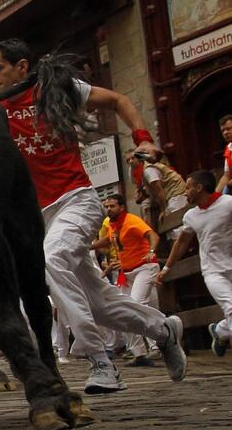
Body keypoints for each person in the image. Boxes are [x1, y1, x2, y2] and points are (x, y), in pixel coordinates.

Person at [0, 39, 186, 394]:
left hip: (77, 200)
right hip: (40, 217)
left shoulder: (56, 89)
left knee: (53, 260)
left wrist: (143, 138)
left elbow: (118, 100)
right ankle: (164, 331)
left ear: (21, 67)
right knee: (103, 306)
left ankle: (101, 362)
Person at [158, 170, 232, 357]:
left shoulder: (228, 204)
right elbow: (182, 241)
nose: (185, 192)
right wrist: (167, 267)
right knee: (231, 307)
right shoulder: (191, 216)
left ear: (199, 188)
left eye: (188, 187)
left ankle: (220, 330)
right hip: (213, 272)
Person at [92, 194, 160, 367]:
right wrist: (89, 246)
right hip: (127, 272)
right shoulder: (111, 225)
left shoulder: (131, 221)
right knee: (124, 310)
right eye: (106, 206)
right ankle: (140, 353)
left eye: (112, 206)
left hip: (144, 268)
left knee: (135, 304)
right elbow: (109, 240)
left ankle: (162, 341)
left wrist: (151, 250)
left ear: (122, 207)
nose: (108, 209)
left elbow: (152, 235)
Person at [216, 115, 232, 194]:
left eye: (229, 129)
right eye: (223, 130)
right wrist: (214, 196)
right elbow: (227, 176)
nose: (225, 132)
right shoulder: (229, 149)